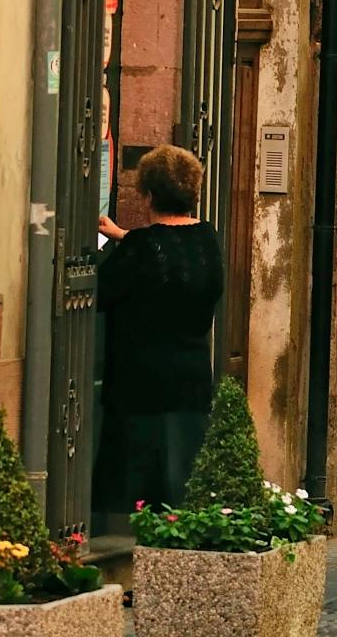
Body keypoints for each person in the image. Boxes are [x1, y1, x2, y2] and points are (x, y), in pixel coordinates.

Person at [92, 145, 225, 517]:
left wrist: (122, 242)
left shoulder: (142, 249)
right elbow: (171, 253)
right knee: (180, 483)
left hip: (141, 388)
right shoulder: (207, 240)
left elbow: (100, 293)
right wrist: (125, 236)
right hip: (191, 381)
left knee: (133, 492)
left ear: (149, 195)